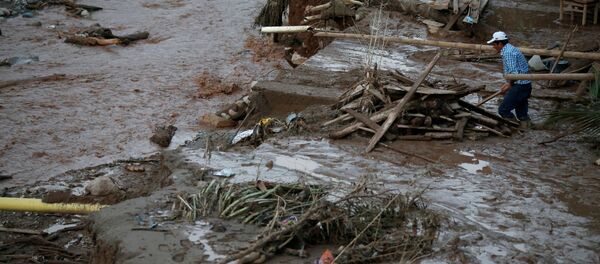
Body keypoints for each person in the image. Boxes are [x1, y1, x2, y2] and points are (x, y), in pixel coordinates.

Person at [487, 31, 532, 129]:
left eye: (494, 44)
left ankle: (514, 127)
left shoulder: (508, 53)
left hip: (519, 85)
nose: (493, 47)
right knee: (521, 113)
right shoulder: (511, 49)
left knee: (503, 110)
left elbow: (514, 73)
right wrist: (508, 83)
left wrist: (509, 85)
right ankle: (527, 128)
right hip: (525, 84)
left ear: (500, 43)